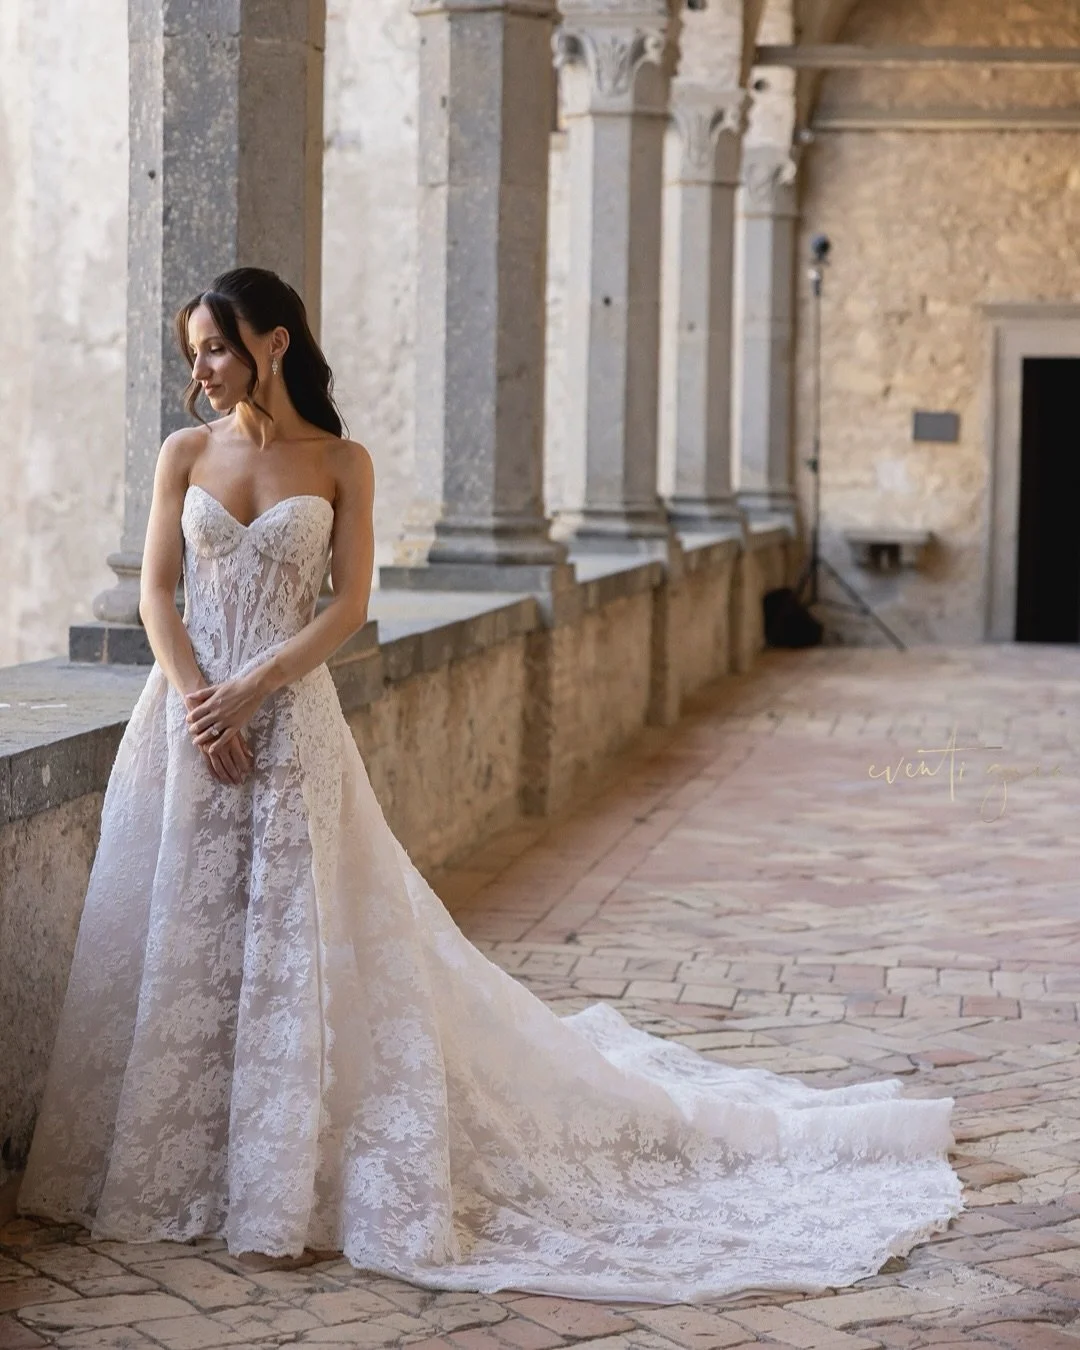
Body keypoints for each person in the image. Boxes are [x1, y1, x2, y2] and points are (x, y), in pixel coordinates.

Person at [16, 267, 963, 1303]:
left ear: (273, 343)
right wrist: (202, 699)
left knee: (293, 939)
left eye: (215, 346)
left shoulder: (341, 462)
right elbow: (156, 592)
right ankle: (190, 1164)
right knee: (185, 934)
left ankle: (278, 1175)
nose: (200, 367)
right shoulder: (185, 452)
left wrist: (255, 688)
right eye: (192, 349)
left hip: (285, 724)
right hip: (188, 724)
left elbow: (348, 606)